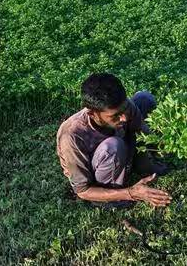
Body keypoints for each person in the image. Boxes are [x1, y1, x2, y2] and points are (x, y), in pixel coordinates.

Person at [56, 73, 171, 208]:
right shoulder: (72, 135)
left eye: (124, 109)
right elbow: (83, 191)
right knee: (113, 146)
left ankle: (142, 166)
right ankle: (112, 198)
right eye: (115, 116)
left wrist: (168, 145)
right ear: (92, 114)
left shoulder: (124, 108)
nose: (124, 118)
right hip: (102, 170)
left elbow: (143, 132)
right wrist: (130, 193)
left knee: (144, 98)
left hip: (123, 149)